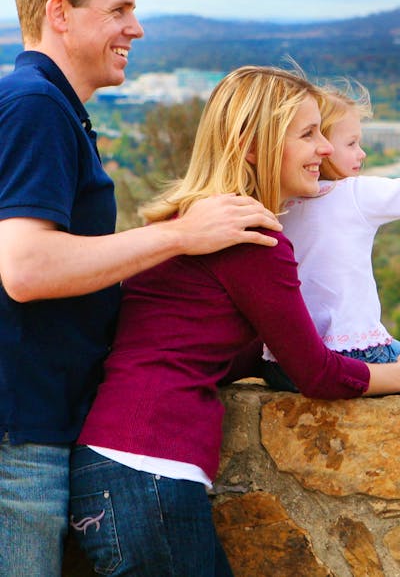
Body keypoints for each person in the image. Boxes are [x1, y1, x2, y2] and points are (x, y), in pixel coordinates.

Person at [0, 0, 280, 577]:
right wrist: (182, 236)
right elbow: (27, 268)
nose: (137, 27)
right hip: (16, 430)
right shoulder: (35, 105)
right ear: (60, 13)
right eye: (119, 9)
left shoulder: (51, 109)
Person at [69, 66, 400, 577]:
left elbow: (210, 345)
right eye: (308, 135)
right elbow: (318, 374)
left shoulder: (197, 220)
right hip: (149, 469)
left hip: (120, 467)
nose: (327, 150)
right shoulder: (248, 236)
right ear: (252, 146)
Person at [262, 81, 400, 393]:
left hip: (281, 364)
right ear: (322, 147)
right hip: (356, 352)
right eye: (352, 144)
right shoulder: (355, 193)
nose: (361, 153)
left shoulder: (278, 201)